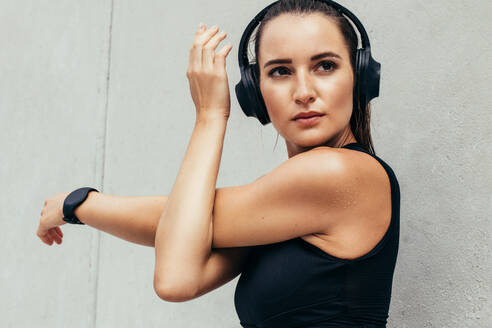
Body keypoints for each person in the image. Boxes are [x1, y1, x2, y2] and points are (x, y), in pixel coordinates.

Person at [37, 0, 400, 327]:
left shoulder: (340, 174)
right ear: (255, 92)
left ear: (360, 77)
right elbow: (186, 262)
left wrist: (210, 115)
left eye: (324, 65)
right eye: (280, 71)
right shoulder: (285, 207)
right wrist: (79, 204)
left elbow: (172, 273)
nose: (303, 91)